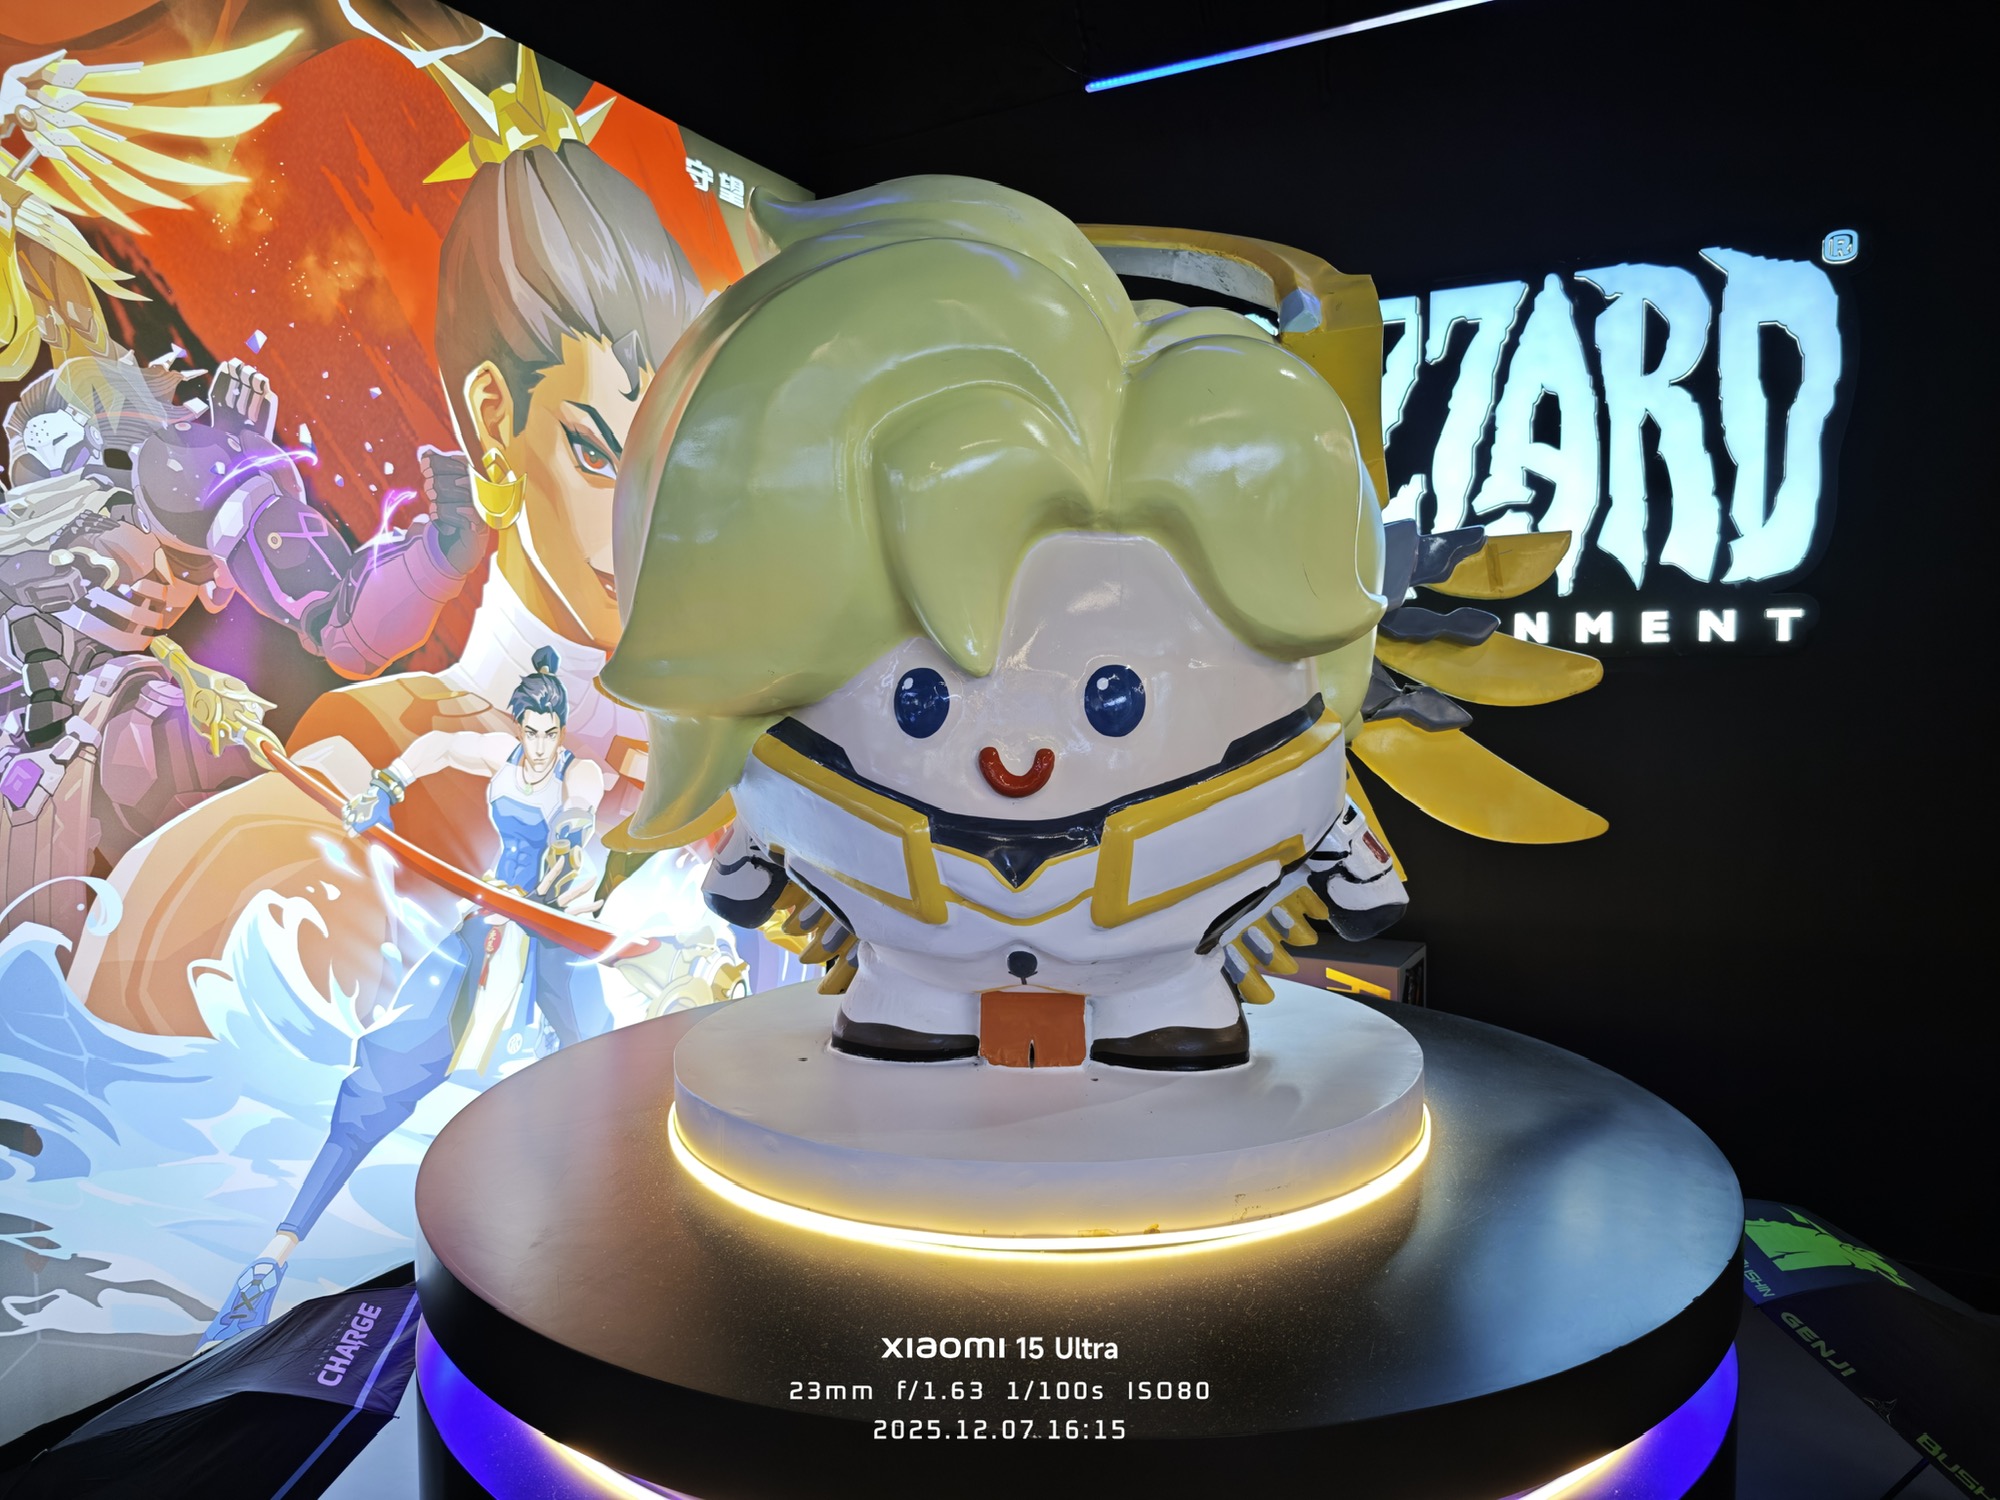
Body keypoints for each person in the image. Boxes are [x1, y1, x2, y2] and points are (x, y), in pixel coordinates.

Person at [69, 47, 712, 1035]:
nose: (644, 533)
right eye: (597, 455)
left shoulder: (730, 770)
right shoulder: (366, 768)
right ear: (494, 418)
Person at [200, 648, 606, 1345]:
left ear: (561, 731)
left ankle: (592, 1254)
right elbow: (439, 745)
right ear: (518, 726)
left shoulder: (578, 772)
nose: (539, 747)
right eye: (531, 731)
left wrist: (569, 845)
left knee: (593, 1071)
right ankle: (271, 1261)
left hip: (551, 928)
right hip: (488, 918)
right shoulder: (501, 757)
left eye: (550, 734)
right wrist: (387, 784)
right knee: (382, 1076)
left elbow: (579, 806)